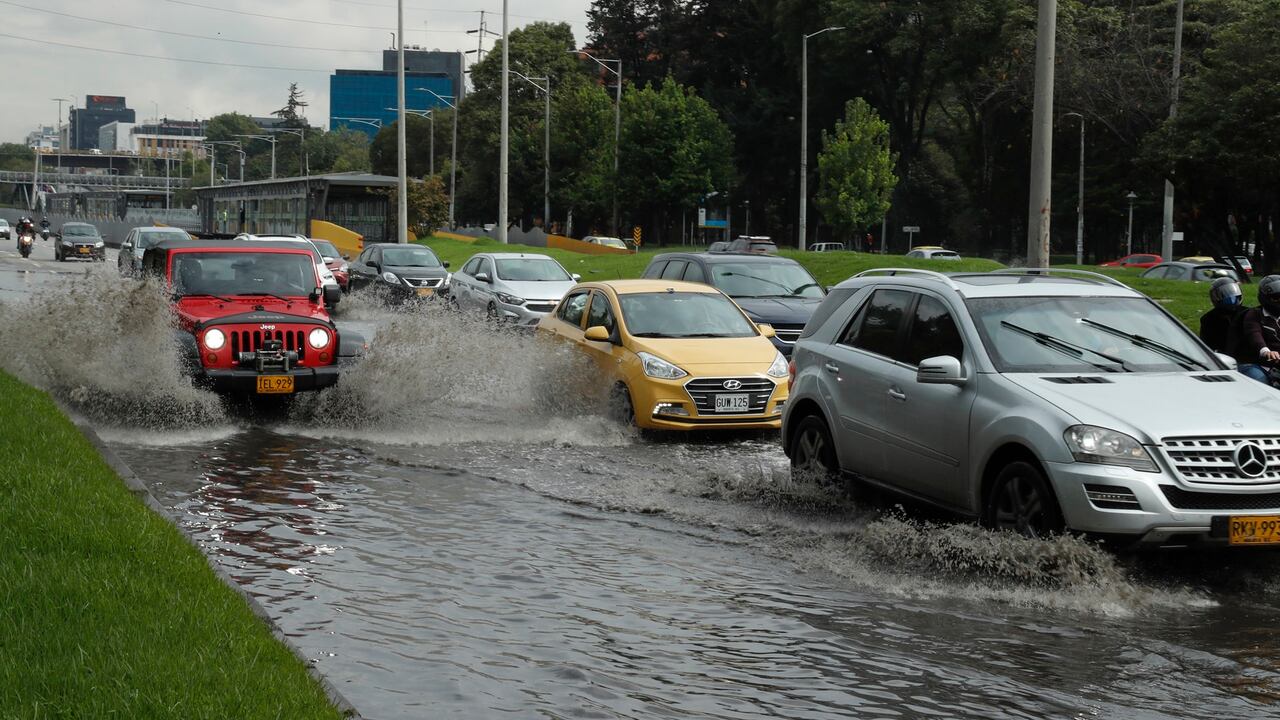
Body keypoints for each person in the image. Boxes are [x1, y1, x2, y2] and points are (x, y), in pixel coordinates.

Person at [1238, 274, 1280, 384]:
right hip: (1257, 364)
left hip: (1277, 365)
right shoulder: (1254, 314)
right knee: (1260, 382)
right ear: (1265, 297)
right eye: (1276, 297)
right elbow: (1254, 334)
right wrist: (1265, 351)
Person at [1199, 276, 1246, 356]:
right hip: (1222, 357)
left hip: (1246, 357)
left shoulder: (1247, 313)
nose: (1231, 299)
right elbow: (1206, 346)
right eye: (1225, 296)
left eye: (1233, 293)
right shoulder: (1208, 319)